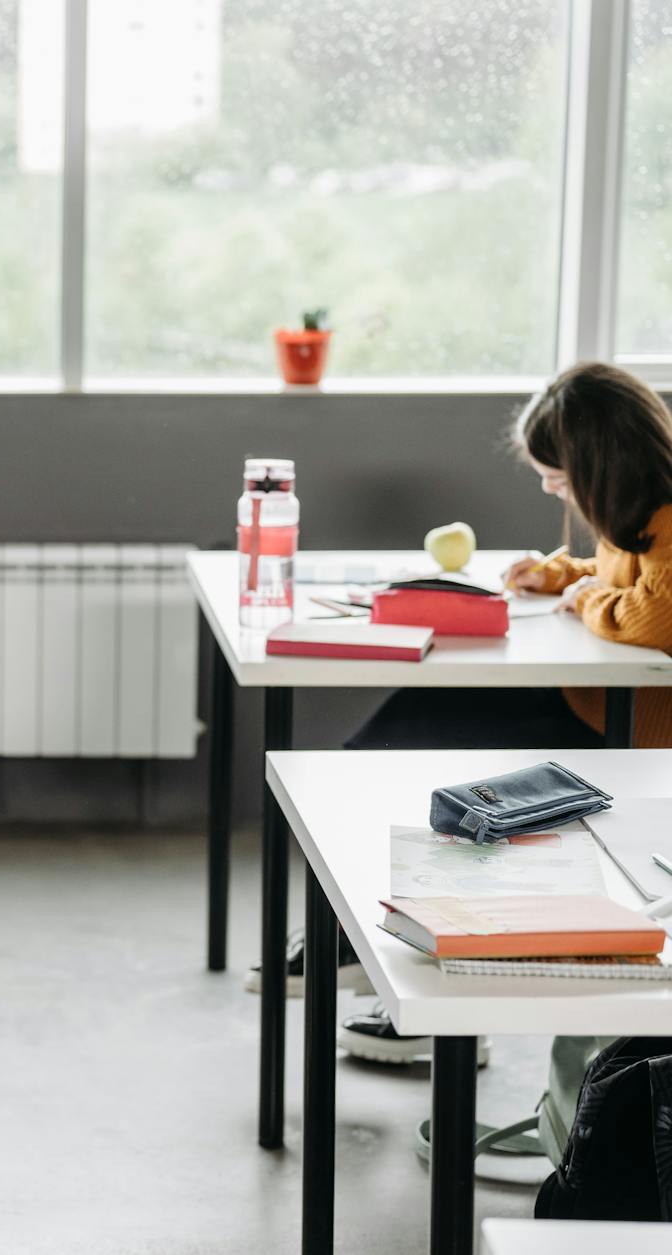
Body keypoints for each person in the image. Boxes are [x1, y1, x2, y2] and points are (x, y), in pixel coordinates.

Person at [256, 362, 672, 1066]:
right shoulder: (639, 517)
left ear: (603, 467)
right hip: (588, 701)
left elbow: (651, 612)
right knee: (389, 743)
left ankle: (420, 989)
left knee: (430, 775)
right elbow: (617, 575)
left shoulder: (668, 519)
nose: (551, 487)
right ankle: (369, 943)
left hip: (621, 729)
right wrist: (562, 574)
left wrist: (587, 602)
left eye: (560, 476)